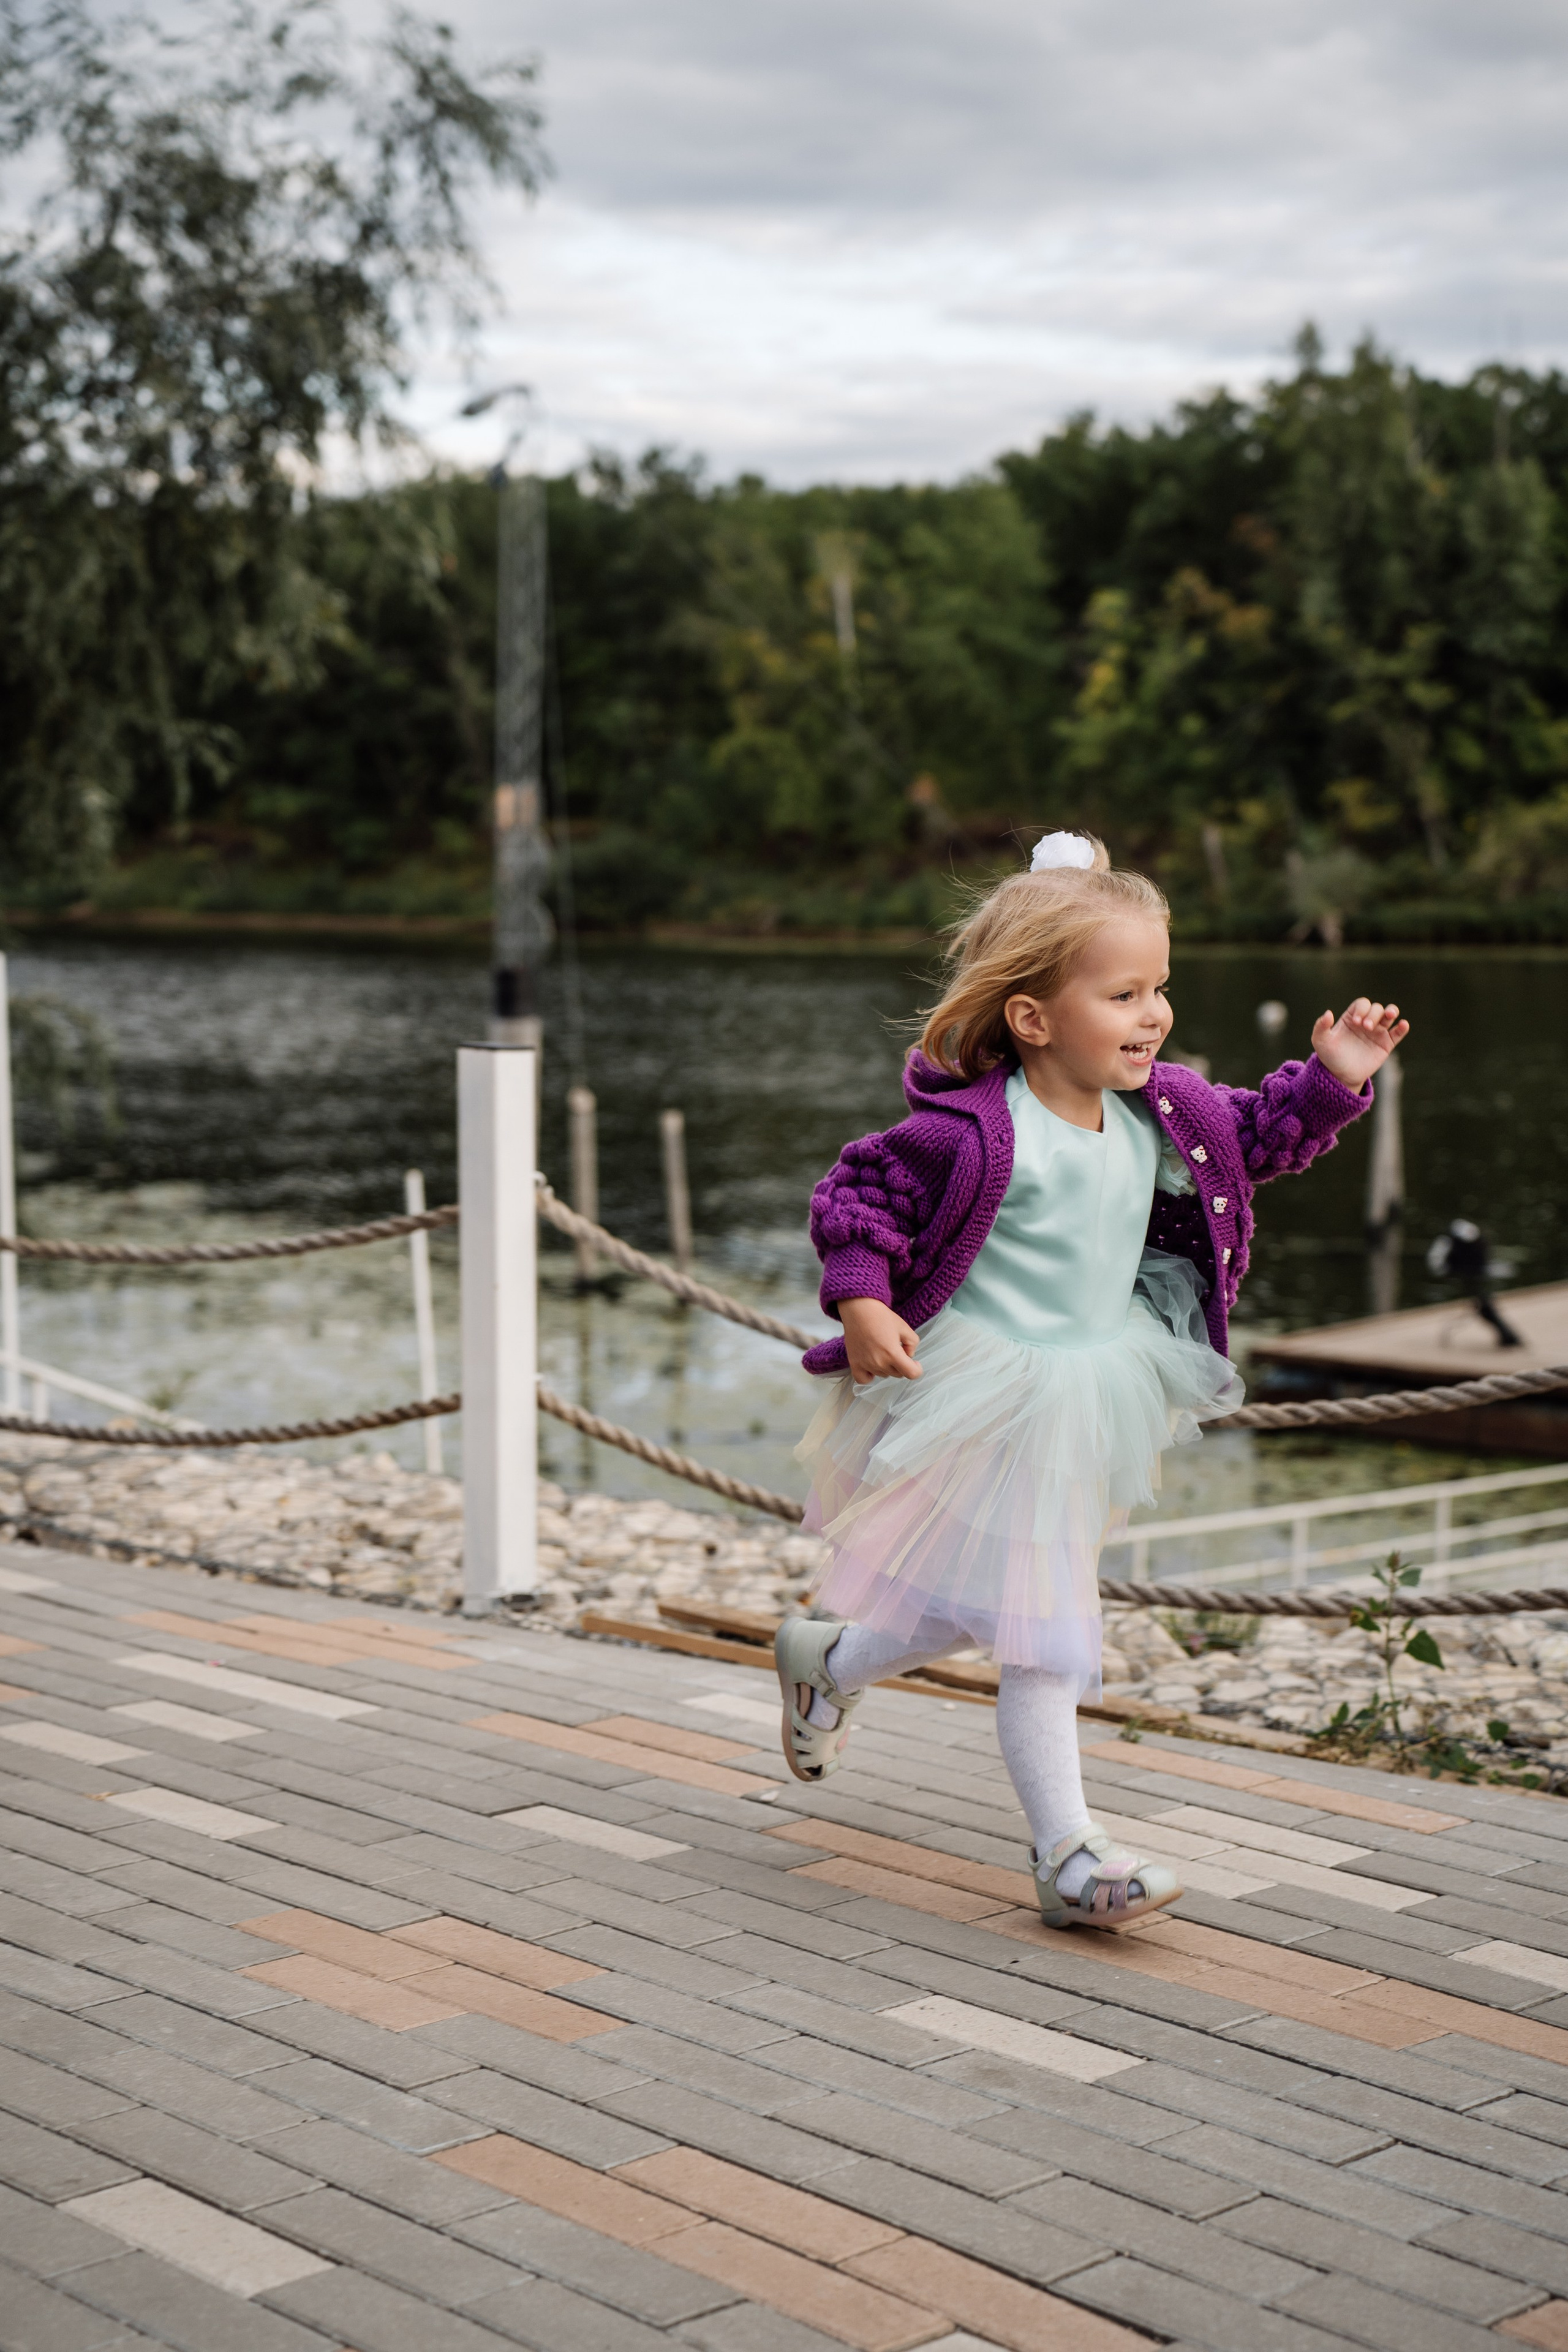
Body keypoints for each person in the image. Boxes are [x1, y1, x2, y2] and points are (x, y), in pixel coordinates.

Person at [776, 831, 1408, 1928]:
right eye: (1123, 995)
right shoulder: (972, 1132)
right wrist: (862, 1298)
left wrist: (1334, 1079)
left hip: (1097, 1389)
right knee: (1048, 1632)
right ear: (1033, 1018)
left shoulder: (1168, 1112)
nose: (1153, 1015)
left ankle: (829, 1661)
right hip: (983, 1395)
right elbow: (861, 1198)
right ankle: (1069, 1855)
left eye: (1159, 987)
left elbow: (1259, 1136)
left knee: (993, 1606)